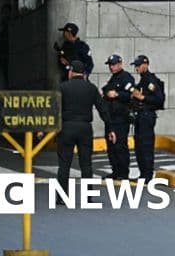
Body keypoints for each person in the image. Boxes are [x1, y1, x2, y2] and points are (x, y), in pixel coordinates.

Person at [56, 59, 108, 201]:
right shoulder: (91, 88)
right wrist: (110, 127)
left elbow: (55, 109)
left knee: (64, 163)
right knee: (86, 164)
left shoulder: (63, 87)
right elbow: (101, 108)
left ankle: (61, 196)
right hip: (85, 128)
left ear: (71, 72)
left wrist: (45, 129)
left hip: (66, 127)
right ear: (83, 74)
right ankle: (88, 196)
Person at [129, 55, 165, 182]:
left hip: (147, 116)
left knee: (146, 145)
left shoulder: (151, 81)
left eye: (138, 65)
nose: (137, 68)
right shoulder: (142, 81)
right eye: (136, 66)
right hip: (139, 116)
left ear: (146, 65)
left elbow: (159, 99)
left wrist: (143, 97)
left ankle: (147, 175)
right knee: (139, 146)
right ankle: (143, 173)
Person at [101, 53, 134, 180]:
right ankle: (115, 171)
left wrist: (117, 95)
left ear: (120, 64)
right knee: (111, 146)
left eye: (113, 64)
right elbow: (105, 91)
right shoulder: (113, 79)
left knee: (120, 145)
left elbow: (131, 95)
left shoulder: (126, 78)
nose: (111, 67)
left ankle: (123, 172)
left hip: (121, 118)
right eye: (110, 65)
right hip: (111, 118)